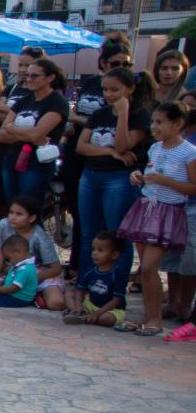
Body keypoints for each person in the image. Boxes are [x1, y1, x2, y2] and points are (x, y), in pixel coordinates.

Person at [115, 102, 196, 335]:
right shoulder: (155, 148)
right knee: (144, 270)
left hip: (169, 211)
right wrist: (138, 176)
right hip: (147, 207)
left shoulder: (189, 152)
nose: (154, 126)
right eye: (153, 121)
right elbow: (150, 172)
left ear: (178, 124)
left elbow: (193, 187)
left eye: (160, 122)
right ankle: (148, 316)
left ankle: (156, 319)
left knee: (150, 267)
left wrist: (163, 181)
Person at [75, 67, 152, 284]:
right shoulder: (99, 113)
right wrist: (109, 152)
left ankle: (115, 288)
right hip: (90, 175)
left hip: (119, 179)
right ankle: (86, 283)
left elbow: (123, 145)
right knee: (89, 235)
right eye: (105, 90)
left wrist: (123, 114)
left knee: (118, 236)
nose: (108, 94)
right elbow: (82, 146)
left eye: (115, 90)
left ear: (130, 89)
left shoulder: (140, 114)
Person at [0, 57, 70, 203]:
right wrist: (28, 134)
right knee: (13, 205)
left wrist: (13, 128)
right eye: (28, 75)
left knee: (29, 207)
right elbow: (1, 136)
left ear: (50, 77)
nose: (29, 79)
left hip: (37, 163)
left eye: (34, 76)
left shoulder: (57, 102)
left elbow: (37, 134)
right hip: (12, 158)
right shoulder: (23, 101)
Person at [0, 195, 67, 311]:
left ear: (31, 218)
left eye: (19, 214)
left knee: (56, 303)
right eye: (11, 212)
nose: (12, 217)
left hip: (39, 274)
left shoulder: (39, 236)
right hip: (16, 273)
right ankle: (29, 296)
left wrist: (30, 280)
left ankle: (35, 295)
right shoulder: (4, 224)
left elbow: (56, 268)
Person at [64, 232, 128, 328]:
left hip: (112, 309)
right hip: (91, 304)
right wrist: (78, 305)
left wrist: (97, 314)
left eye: (100, 250)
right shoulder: (88, 271)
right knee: (69, 294)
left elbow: (116, 300)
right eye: (93, 249)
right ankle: (77, 312)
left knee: (106, 319)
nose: (94, 253)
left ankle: (86, 318)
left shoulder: (118, 274)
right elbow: (80, 290)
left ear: (114, 255)